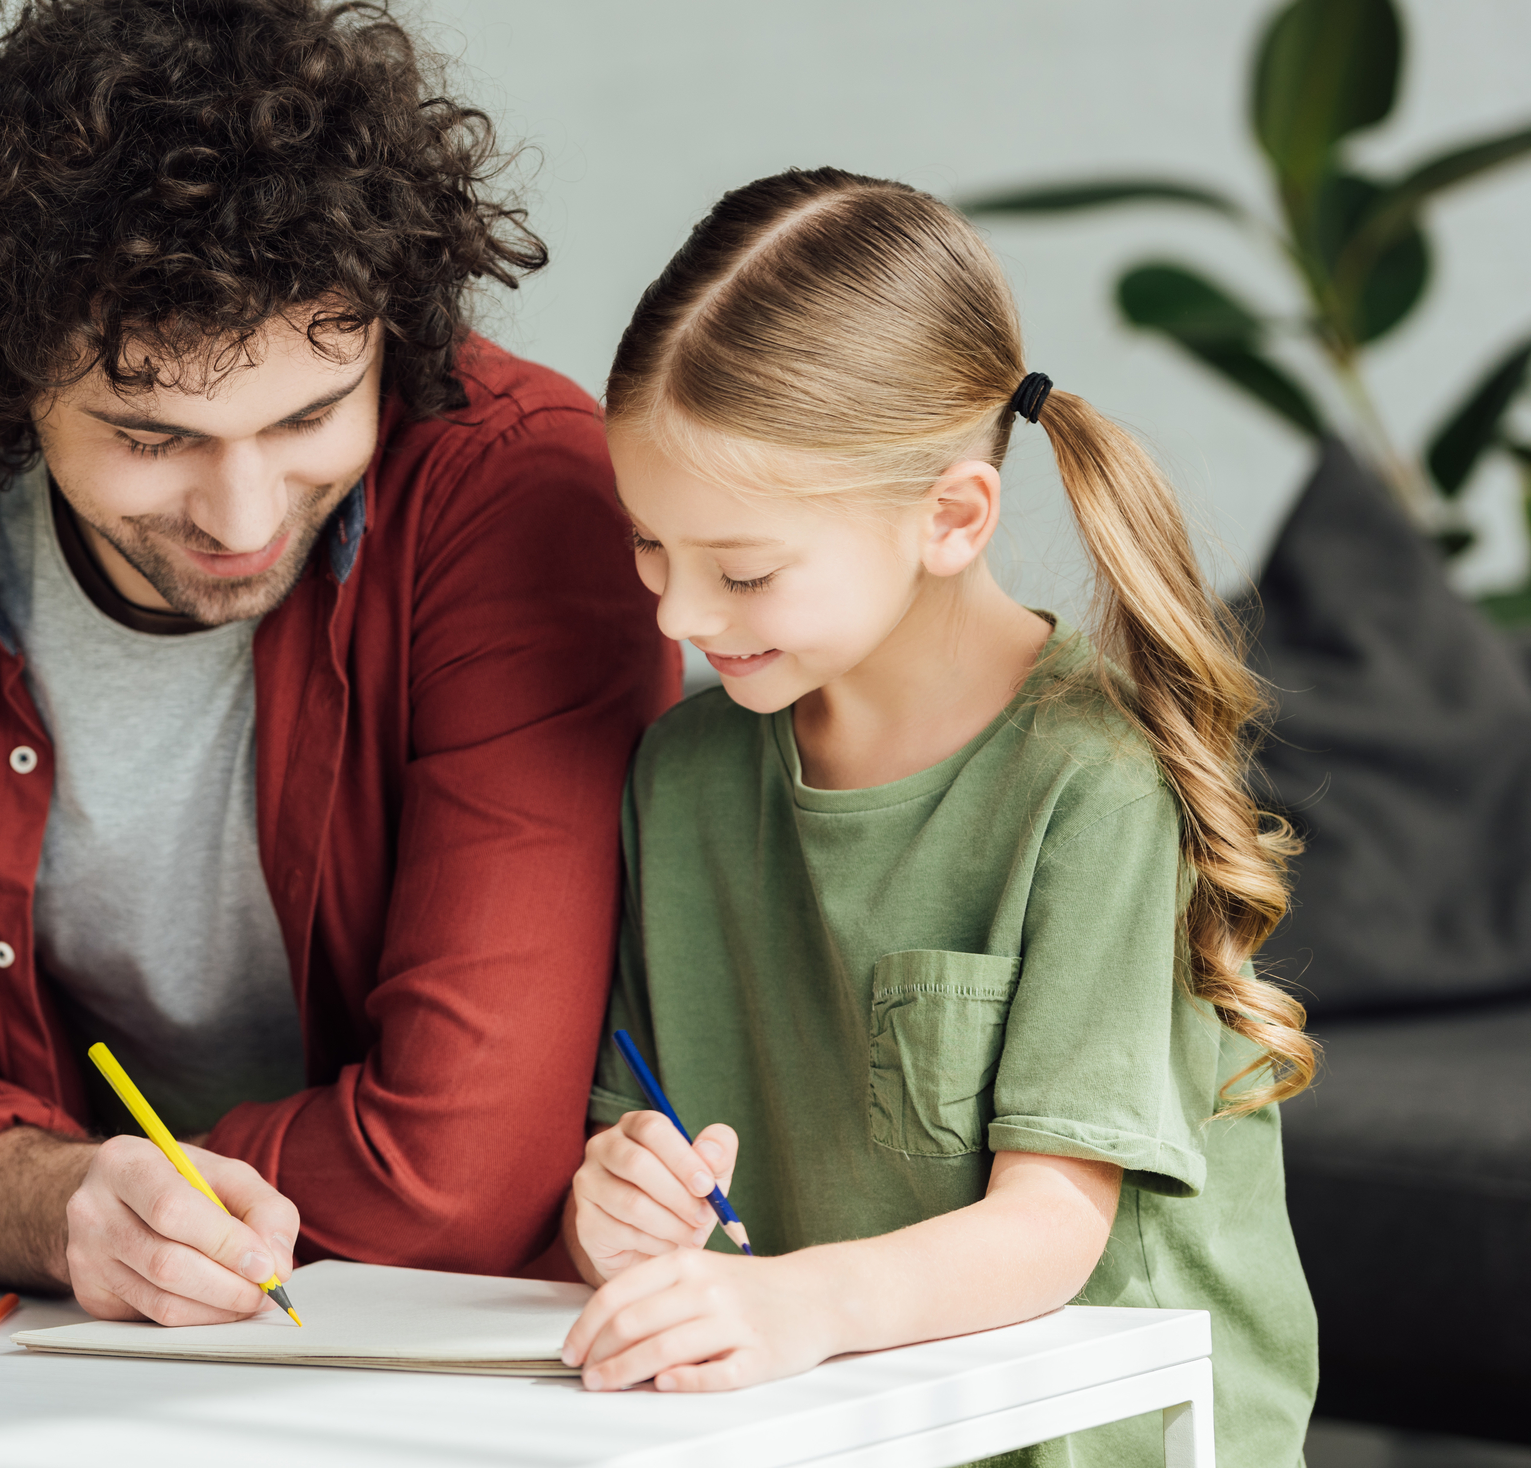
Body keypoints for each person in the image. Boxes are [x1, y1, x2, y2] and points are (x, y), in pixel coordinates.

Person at [0, 0, 676, 1325]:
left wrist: (51, 1186)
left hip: (465, 1339)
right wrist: (69, 1207)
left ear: (390, 345)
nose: (241, 521)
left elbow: (461, 1173)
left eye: (310, 415)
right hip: (95, 1344)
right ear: (8, 386)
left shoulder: (517, 491)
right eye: (150, 436)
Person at [557, 168, 1319, 1465]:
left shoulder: (1090, 782)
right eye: (650, 550)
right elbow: (633, 1117)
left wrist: (801, 1303)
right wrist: (616, 1199)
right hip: (842, 1424)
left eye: (742, 569)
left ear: (952, 518)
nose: (677, 618)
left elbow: (1051, 1228)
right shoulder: (680, 777)